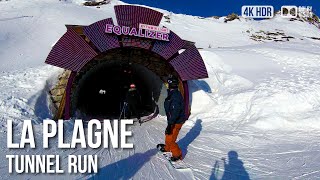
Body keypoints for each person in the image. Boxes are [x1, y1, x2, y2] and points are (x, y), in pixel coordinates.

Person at [157, 76, 186, 161]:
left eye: (168, 84)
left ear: (171, 85)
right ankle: (167, 148)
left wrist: (171, 124)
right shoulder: (172, 93)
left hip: (176, 121)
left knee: (172, 138)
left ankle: (177, 154)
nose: (167, 85)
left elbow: (175, 111)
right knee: (168, 134)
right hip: (172, 120)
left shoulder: (175, 96)